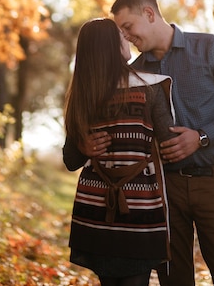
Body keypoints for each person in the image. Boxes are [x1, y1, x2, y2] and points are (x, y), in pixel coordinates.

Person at [110, 0, 214, 286]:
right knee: (173, 281)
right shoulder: (134, 73)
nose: (126, 36)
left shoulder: (211, 48)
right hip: (162, 192)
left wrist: (201, 137)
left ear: (149, 14)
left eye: (127, 27)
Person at [63, 17, 176, 286]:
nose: (126, 38)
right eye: (119, 35)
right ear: (108, 47)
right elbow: (70, 159)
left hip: (108, 211)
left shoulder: (91, 91)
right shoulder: (149, 88)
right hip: (131, 211)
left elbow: (169, 146)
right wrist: (83, 146)